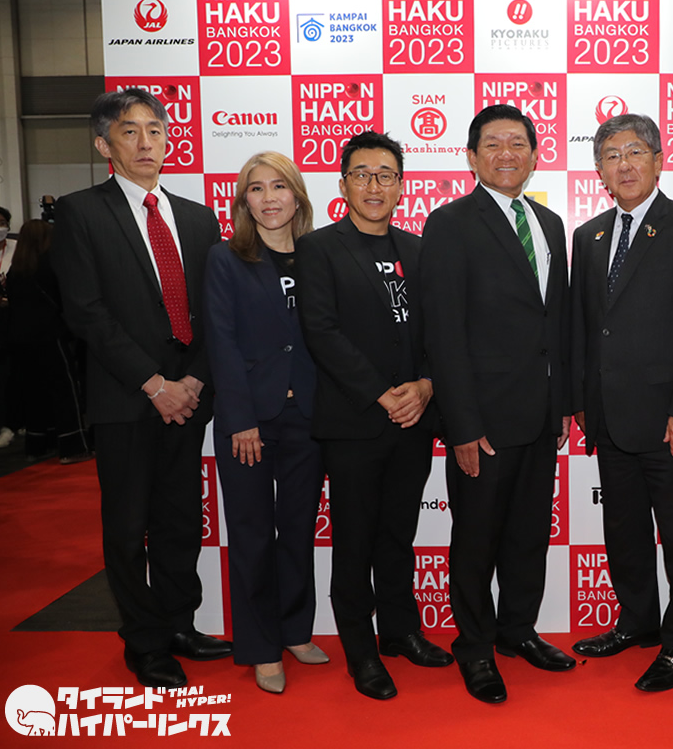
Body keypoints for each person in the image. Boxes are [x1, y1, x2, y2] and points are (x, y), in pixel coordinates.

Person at [51, 88, 231, 688]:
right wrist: (155, 384)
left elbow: (215, 311)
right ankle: (145, 642)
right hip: (128, 398)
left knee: (180, 520)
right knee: (129, 528)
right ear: (104, 145)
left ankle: (180, 624)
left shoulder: (198, 218)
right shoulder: (80, 212)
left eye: (155, 130)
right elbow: (86, 312)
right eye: (130, 131)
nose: (146, 142)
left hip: (190, 398)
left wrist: (193, 380)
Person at [420, 104, 573, 704]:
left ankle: (518, 630)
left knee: (528, 534)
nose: (506, 153)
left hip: (539, 417)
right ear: (471, 156)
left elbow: (555, 324)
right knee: (476, 539)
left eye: (517, 143)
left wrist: (562, 405)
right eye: (492, 143)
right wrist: (462, 424)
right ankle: (476, 647)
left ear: (535, 155)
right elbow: (443, 333)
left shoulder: (550, 223)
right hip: (481, 422)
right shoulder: (450, 223)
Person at [569, 113, 673, 692]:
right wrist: (582, 403)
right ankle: (637, 622)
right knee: (624, 532)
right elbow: (585, 329)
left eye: (635, 152)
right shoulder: (589, 237)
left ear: (658, 161)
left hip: (669, 421)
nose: (624, 164)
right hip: (610, 418)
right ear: (600, 170)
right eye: (612, 156)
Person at [297, 131, 447, 700]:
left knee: (398, 535)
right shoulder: (319, 248)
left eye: (386, 175)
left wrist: (426, 385)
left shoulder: (419, 250)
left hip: (414, 420)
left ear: (401, 185)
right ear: (343, 185)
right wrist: (383, 394)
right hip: (355, 421)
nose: (374, 186)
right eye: (362, 175)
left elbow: (438, 332)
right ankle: (360, 650)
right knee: (355, 540)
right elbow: (322, 332)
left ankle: (400, 632)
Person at [204, 152, 328, 694]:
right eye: (257, 188)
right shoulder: (225, 259)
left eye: (280, 186)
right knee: (253, 535)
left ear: (297, 196)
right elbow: (221, 342)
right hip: (249, 421)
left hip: (309, 418)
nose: (269, 197)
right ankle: (260, 647)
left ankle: (295, 629)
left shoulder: (319, 256)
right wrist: (240, 419)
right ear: (244, 201)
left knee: (298, 531)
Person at [6, 219, 92, 463]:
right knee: (65, 389)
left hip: (20, 338)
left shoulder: (16, 270)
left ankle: (37, 445)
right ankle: (73, 446)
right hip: (50, 335)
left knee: (34, 392)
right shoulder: (51, 265)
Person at [0, 204, 17, 451]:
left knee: (13, 373)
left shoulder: (17, 248)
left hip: (16, 317)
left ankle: (13, 422)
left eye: (1, 223)